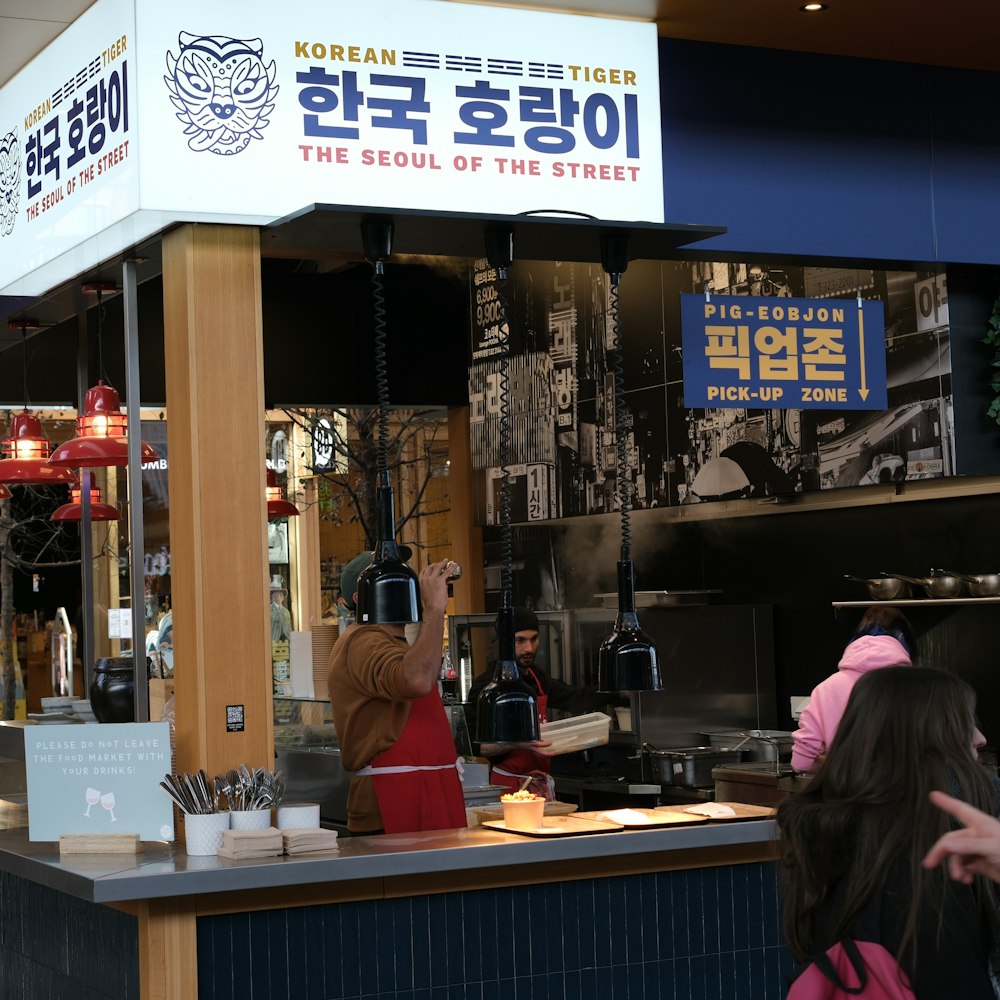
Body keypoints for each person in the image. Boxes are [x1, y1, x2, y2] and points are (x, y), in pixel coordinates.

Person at [778, 666, 998, 998]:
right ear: (922, 737)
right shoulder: (929, 868)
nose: (980, 738)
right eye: (963, 722)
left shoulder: (833, 840)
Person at [326, 551, 466, 835]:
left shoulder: (397, 644)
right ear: (360, 596)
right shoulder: (362, 640)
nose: (407, 585)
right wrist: (434, 610)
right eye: (393, 579)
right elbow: (415, 680)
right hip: (393, 802)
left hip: (426, 794)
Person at [466, 607, 625, 798]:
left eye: (534, 639)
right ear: (504, 643)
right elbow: (474, 745)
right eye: (520, 640)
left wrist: (619, 691)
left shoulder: (536, 677)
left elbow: (575, 699)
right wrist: (518, 743)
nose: (529, 648)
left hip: (540, 784)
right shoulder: (488, 687)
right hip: (507, 787)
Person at [790, 605, 914, 772]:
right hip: (904, 793)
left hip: (842, 794)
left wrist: (840, 764)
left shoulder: (826, 688)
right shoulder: (917, 687)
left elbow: (801, 763)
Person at [269, 575, 292, 642]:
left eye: (281, 594)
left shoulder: (286, 612)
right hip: (273, 642)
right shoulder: (269, 610)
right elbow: (275, 618)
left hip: (285, 643)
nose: (279, 596)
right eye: (277, 594)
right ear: (273, 596)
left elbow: (289, 628)